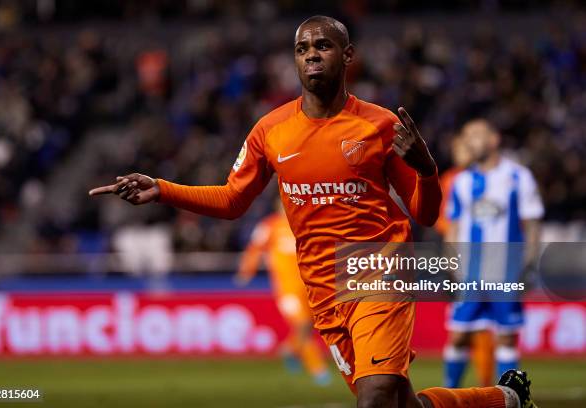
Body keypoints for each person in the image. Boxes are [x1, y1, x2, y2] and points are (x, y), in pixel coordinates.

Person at [90, 15, 536, 408]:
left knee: (374, 398)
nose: (311, 55)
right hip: (323, 286)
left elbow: (423, 212)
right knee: (399, 403)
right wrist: (163, 189)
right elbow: (232, 201)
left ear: (348, 55)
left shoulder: (379, 124)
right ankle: (505, 399)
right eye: (302, 48)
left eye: (322, 45)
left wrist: (426, 170)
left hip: (380, 267)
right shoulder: (271, 130)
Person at [444, 120, 543, 392]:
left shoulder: (518, 177)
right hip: (470, 274)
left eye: (475, 135)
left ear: (494, 139)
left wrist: (529, 265)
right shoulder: (462, 181)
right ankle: (450, 393)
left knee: (506, 338)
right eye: (466, 136)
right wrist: (451, 266)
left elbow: (532, 225)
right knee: (458, 336)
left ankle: (509, 396)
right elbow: (452, 227)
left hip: (505, 272)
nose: (469, 141)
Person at [234, 202, 330, 385]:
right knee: (302, 325)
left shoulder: (305, 224)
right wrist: (247, 271)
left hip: (309, 287)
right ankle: (319, 371)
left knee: (309, 326)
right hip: (287, 289)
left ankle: (290, 350)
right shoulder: (269, 226)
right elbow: (254, 249)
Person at [436, 134, 495, 387]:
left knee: (485, 328)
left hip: (491, 261)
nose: (459, 152)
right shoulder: (450, 180)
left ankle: (488, 385)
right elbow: (440, 219)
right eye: (457, 147)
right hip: (463, 259)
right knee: (464, 329)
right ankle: (455, 389)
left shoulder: (490, 178)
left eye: (463, 146)